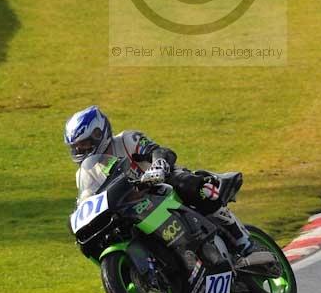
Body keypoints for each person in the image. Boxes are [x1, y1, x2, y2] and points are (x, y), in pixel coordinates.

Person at [64, 105, 252, 255]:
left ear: (99, 134)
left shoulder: (127, 140)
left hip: (162, 187)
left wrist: (159, 165)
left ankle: (241, 237)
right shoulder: (85, 173)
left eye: (85, 144)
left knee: (191, 185)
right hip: (131, 206)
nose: (81, 150)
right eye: (77, 147)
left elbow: (160, 151)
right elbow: (86, 199)